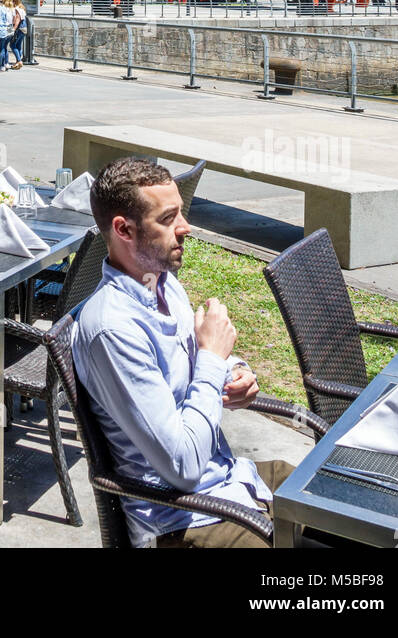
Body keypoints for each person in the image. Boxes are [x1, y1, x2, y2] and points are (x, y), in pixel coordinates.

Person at [72, 157, 292, 549]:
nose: (185, 228)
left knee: (340, 499)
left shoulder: (163, 283)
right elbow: (183, 467)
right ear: (124, 229)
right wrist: (212, 358)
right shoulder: (113, 330)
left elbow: (199, 363)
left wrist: (233, 371)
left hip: (231, 478)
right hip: (181, 519)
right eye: (168, 218)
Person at [8, 0, 28, 69]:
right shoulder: (22, 8)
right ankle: (18, 62)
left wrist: (12, 30)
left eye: (11, 1)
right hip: (24, 29)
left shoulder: (16, 9)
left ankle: (19, 61)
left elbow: (17, 20)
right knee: (18, 45)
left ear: (14, 2)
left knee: (12, 45)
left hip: (19, 29)